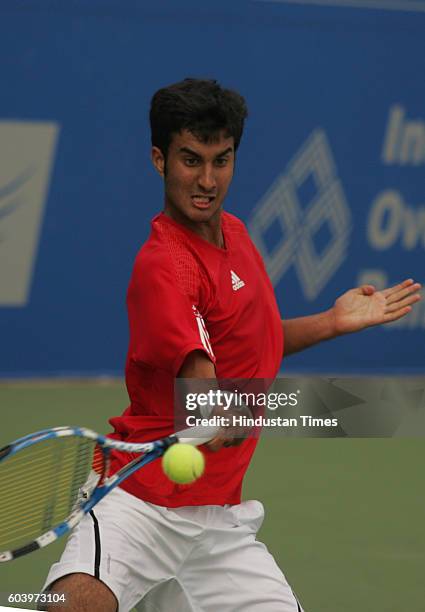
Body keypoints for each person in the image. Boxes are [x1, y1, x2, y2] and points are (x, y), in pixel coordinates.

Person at [42, 78, 421, 612]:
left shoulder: (237, 236)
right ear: (159, 160)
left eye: (221, 161)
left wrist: (332, 322)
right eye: (190, 160)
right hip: (142, 503)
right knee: (74, 606)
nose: (206, 180)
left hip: (219, 520)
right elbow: (202, 391)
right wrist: (229, 409)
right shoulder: (163, 267)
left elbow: (251, 346)